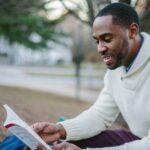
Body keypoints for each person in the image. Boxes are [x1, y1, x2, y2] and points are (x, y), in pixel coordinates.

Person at [32, 2, 150, 150]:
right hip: (138, 137)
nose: (100, 48)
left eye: (107, 39)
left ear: (132, 31)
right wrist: (60, 129)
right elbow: (100, 115)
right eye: (97, 41)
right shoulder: (114, 72)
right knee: (64, 143)